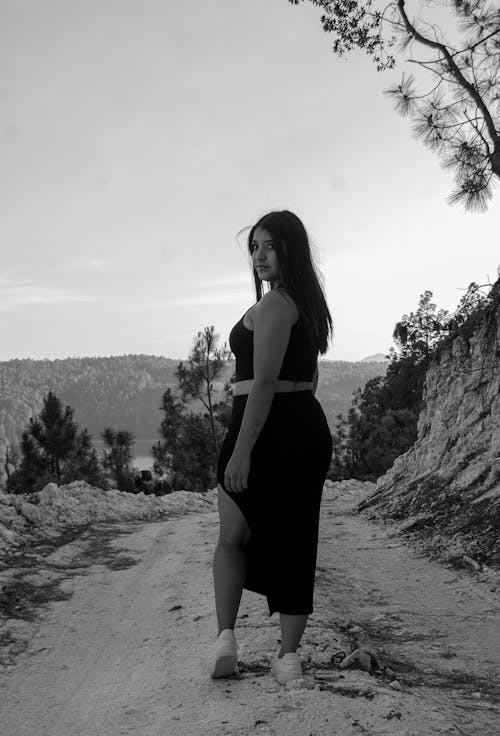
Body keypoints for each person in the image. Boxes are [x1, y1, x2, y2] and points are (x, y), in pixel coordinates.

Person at [212, 210, 333, 685]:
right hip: (299, 422)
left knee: (233, 535)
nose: (260, 255)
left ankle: (234, 641)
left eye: (270, 246)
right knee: (294, 537)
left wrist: (242, 452)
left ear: (290, 250)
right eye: (255, 247)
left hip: (264, 422)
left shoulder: (278, 305)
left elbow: (262, 382)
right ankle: (284, 656)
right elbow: (312, 375)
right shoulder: (304, 303)